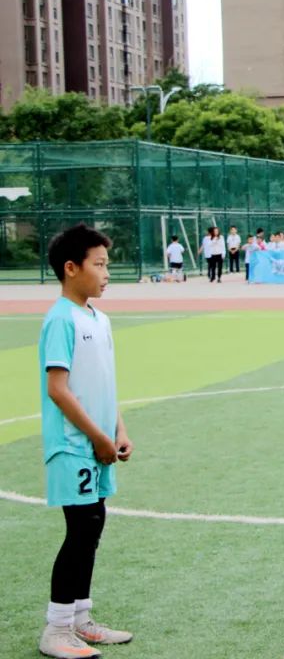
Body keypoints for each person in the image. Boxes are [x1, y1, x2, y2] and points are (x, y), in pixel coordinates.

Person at [37, 224, 134, 659]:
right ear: (71, 268)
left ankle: (80, 619)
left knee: (92, 526)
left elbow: (103, 384)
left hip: (97, 443)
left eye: (107, 265)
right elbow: (58, 388)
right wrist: (97, 437)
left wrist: (119, 430)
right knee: (81, 530)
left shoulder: (100, 318)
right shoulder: (60, 318)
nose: (106, 273)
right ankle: (56, 630)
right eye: (99, 265)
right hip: (74, 445)